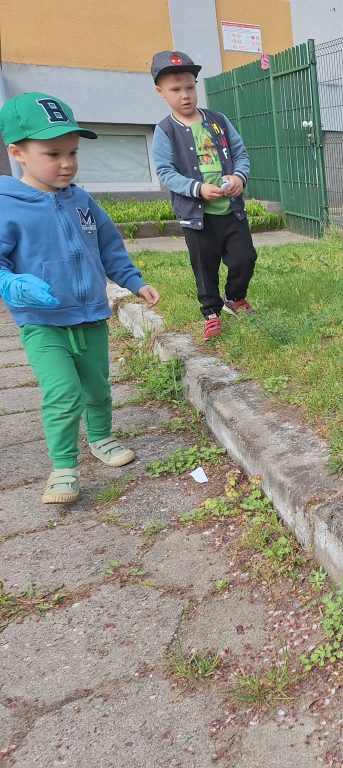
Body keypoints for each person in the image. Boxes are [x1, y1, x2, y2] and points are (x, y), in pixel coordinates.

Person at [0, 92, 160, 503]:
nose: (67, 163)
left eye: (72, 152)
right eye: (53, 154)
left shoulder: (81, 200)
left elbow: (109, 247)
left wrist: (134, 281)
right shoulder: (7, 207)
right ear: (17, 153)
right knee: (63, 394)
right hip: (43, 323)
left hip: (90, 316)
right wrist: (12, 285)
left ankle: (101, 437)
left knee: (97, 388)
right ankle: (64, 467)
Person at [150, 50, 258, 341]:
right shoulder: (165, 131)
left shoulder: (218, 120)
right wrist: (197, 189)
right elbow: (165, 172)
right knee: (205, 266)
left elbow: (240, 154)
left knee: (245, 258)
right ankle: (211, 312)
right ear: (161, 91)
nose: (185, 95)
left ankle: (235, 297)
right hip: (198, 218)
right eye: (175, 89)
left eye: (189, 87)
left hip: (231, 210)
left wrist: (238, 177)